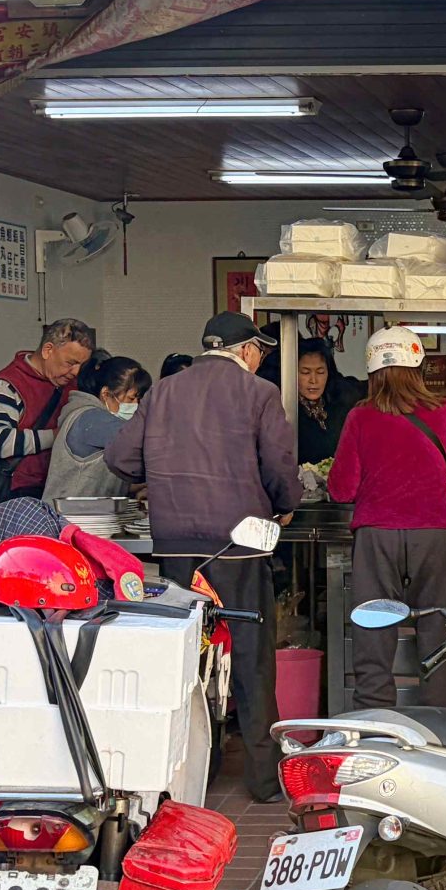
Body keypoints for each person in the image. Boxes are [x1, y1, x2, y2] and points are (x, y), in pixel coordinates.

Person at [104, 311, 301, 800]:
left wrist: (163, 478)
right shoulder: (258, 394)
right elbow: (280, 468)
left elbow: (121, 458)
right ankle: (261, 780)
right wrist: (286, 505)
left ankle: (186, 773)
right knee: (251, 658)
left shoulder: (164, 391)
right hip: (238, 546)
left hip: (177, 546)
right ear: (248, 351)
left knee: (185, 657)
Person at [329, 328, 446, 709]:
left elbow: (341, 489)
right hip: (435, 533)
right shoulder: (443, 411)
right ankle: (437, 721)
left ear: (371, 370)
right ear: (418, 366)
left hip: (378, 535)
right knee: (440, 630)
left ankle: (377, 722)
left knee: (374, 629)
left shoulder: (360, 417)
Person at [0, 316, 97, 500]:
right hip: (18, 494)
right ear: (48, 350)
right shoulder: (8, 385)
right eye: (70, 362)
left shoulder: (69, 384)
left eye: (82, 365)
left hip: (57, 490)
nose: (76, 372)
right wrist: (55, 436)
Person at [44, 355, 149, 505]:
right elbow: (143, 442)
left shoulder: (88, 416)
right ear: (106, 394)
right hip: (72, 520)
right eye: (131, 399)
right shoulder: (92, 418)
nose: (136, 405)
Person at [293, 336, 361, 465]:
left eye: (320, 372)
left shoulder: (339, 404)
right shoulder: (287, 410)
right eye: (305, 372)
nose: (313, 380)